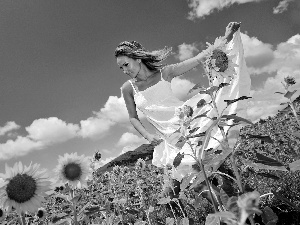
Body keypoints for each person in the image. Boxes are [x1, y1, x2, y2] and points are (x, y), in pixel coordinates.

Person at [115, 21, 250, 217]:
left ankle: (238, 216)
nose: (125, 70)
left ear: (137, 58)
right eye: (121, 68)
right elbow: (133, 118)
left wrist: (227, 36)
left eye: (126, 64)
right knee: (173, 194)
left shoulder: (164, 74)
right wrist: (147, 136)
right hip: (167, 141)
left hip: (190, 128)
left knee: (207, 181)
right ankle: (232, 213)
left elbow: (200, 58)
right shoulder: (128, 88)